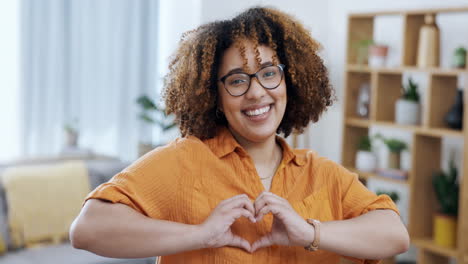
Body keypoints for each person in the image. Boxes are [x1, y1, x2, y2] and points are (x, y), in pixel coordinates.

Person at [70, 6, 409, 264]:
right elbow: (88, 228)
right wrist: (200, 235)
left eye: (268, 73)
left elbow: (394, 235)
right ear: (213, 95)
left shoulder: (321, 173)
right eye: (236, 80)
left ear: (289, 81)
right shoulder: (184, 160)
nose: (257, 92)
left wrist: (309, 232)